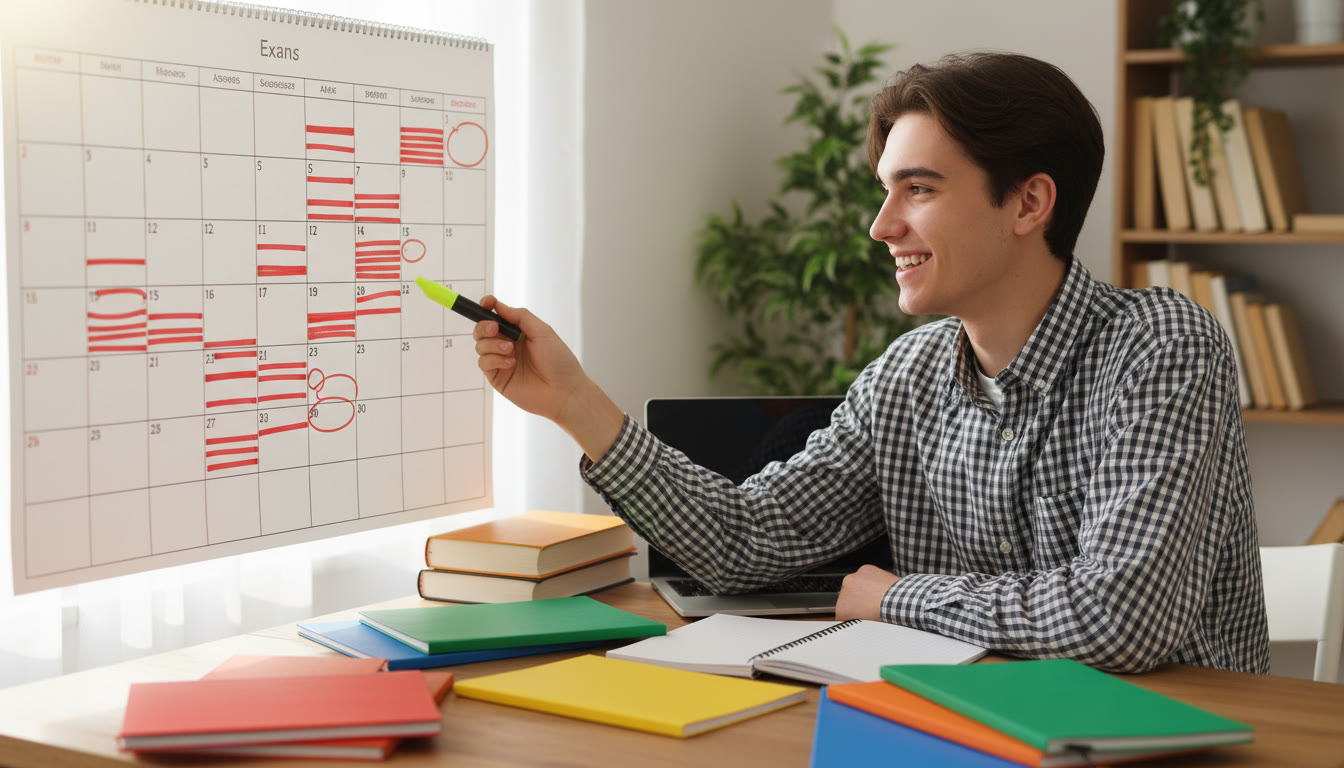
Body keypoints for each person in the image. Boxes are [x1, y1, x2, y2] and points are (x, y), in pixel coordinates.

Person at [470, 52, 1270, 675]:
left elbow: (1121, 619)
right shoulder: (910, 374)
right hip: (964, 726)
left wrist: (898, 598)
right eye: (885, 190)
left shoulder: (1163, 346)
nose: (881, 225)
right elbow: (747, 544)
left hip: (1160, 734)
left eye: (917, 190)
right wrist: (573, 400)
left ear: (1029, 203)